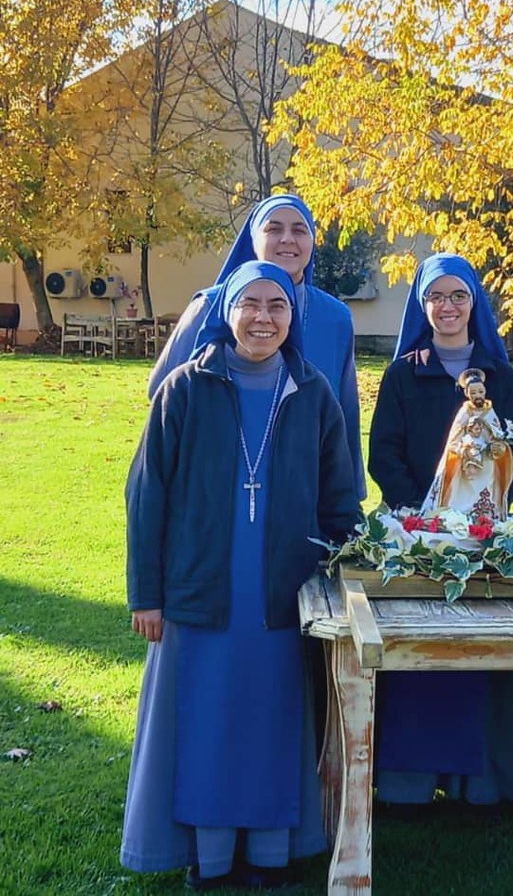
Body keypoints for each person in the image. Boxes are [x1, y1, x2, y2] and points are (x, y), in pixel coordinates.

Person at [121, 260, 362, 891]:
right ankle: (210, 854)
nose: (263, 318)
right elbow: (146, 496)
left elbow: (339, 500)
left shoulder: (312, 393)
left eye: (277, 307)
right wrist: (146, 594)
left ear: (292, 317)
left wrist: (344, 577)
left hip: (283, 593)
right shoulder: (185, 389)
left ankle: (271, 852)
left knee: (272, 720)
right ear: (227, 310)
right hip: (200, 589)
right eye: (250, 304)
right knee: (206, 720)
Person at [367, 253, 513, 804]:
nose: (447, 307)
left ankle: (479, 785)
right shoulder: (402, 373)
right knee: (419, 653)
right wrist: (423, 512)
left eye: (458, 296)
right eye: (436, 297)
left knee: (476, 651)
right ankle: (407, 782)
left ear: (474, 303)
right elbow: (383, 452)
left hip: (480, 534)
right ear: (423, 306)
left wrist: (479, 514)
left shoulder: (499, 375)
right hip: (421, 535)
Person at [148, 193, 364, 500]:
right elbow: (163, 393)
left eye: (299, 230)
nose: (287, 239)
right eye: (274, 229)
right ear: (254, 238)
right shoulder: (211, 305)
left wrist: (351, 494)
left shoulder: (336, 317)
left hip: (305, 482)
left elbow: (345, 413)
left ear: (313, 242)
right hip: (218, 480)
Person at [422, 368, 513, 517]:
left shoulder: (490, 413)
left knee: (487, 490)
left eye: (480, 392)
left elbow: (497, 436)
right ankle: (459, 517)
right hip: (466, 465)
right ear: (467, 394)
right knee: (462, 494)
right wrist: (464, 450)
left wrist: (498, 448)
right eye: (473, 393)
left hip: (486, 462)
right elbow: (453, 440)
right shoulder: (464, 413)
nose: (478, 396)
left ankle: (486, 517)